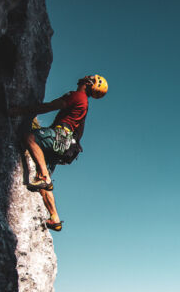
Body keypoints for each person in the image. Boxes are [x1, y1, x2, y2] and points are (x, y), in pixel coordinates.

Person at [9, 74, 108, 231]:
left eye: (89, 77)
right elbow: (80, 131)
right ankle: (54, 218)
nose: (84, 77)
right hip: (65, 144)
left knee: (29, 137)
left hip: (59, 135)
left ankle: (44, 177)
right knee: (44, 185)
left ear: (89, 84)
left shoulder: (77, 96)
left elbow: (49, 106)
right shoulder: (85, 104)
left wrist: (20, 110)